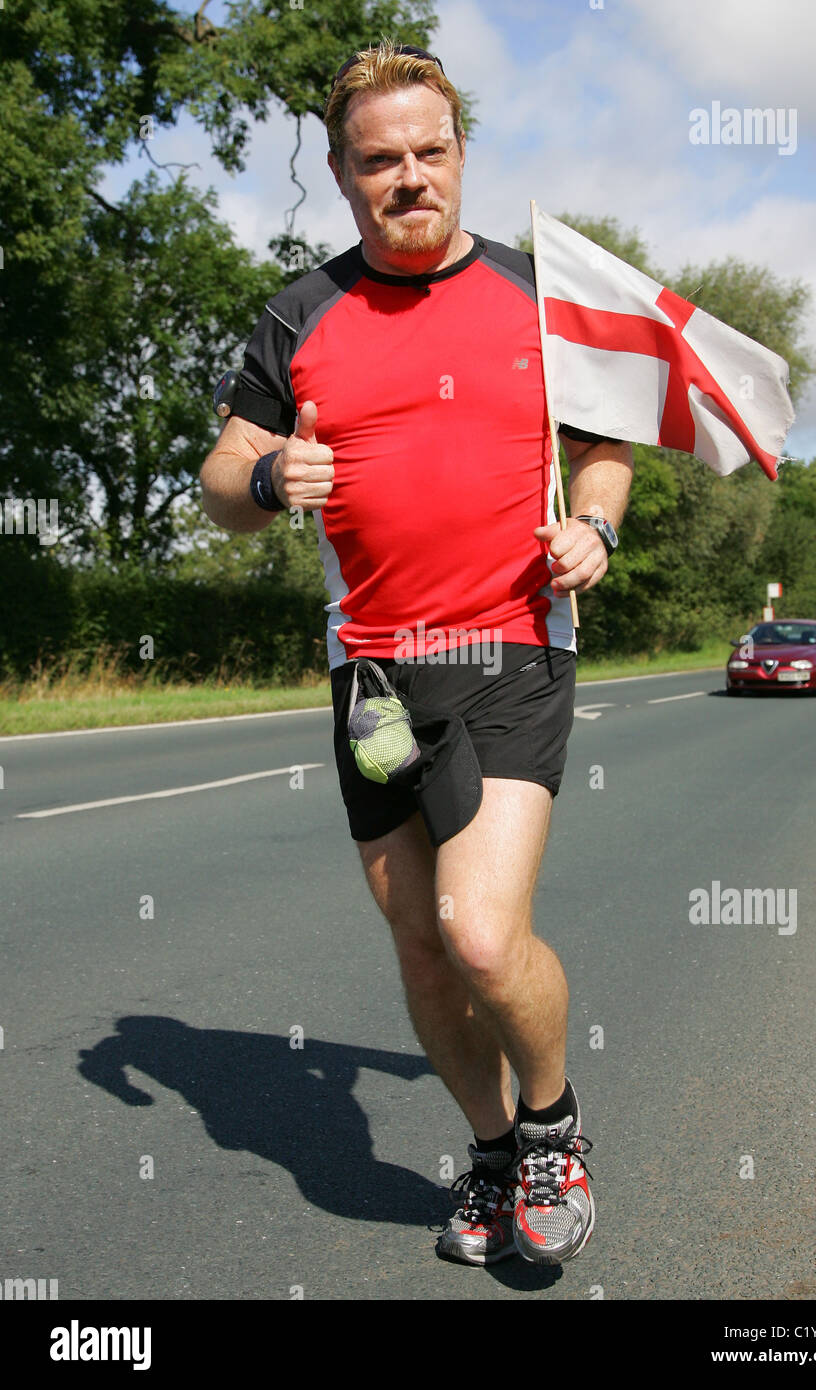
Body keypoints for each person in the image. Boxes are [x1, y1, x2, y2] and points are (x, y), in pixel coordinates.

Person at [199, 38, 633, 1267]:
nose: (407, 178)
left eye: (429, 152)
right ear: (340, 172)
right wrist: (270, 474)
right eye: (377, 160)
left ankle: (552, 1129)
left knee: (482, 930)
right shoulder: (301, 310)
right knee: (421, 943)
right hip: (374, 672)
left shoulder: (539, 295)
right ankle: (490, 1152)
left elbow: (607, 444)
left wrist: (591, 524)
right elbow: (220, 482)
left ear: (460, 155)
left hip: (508, 647)